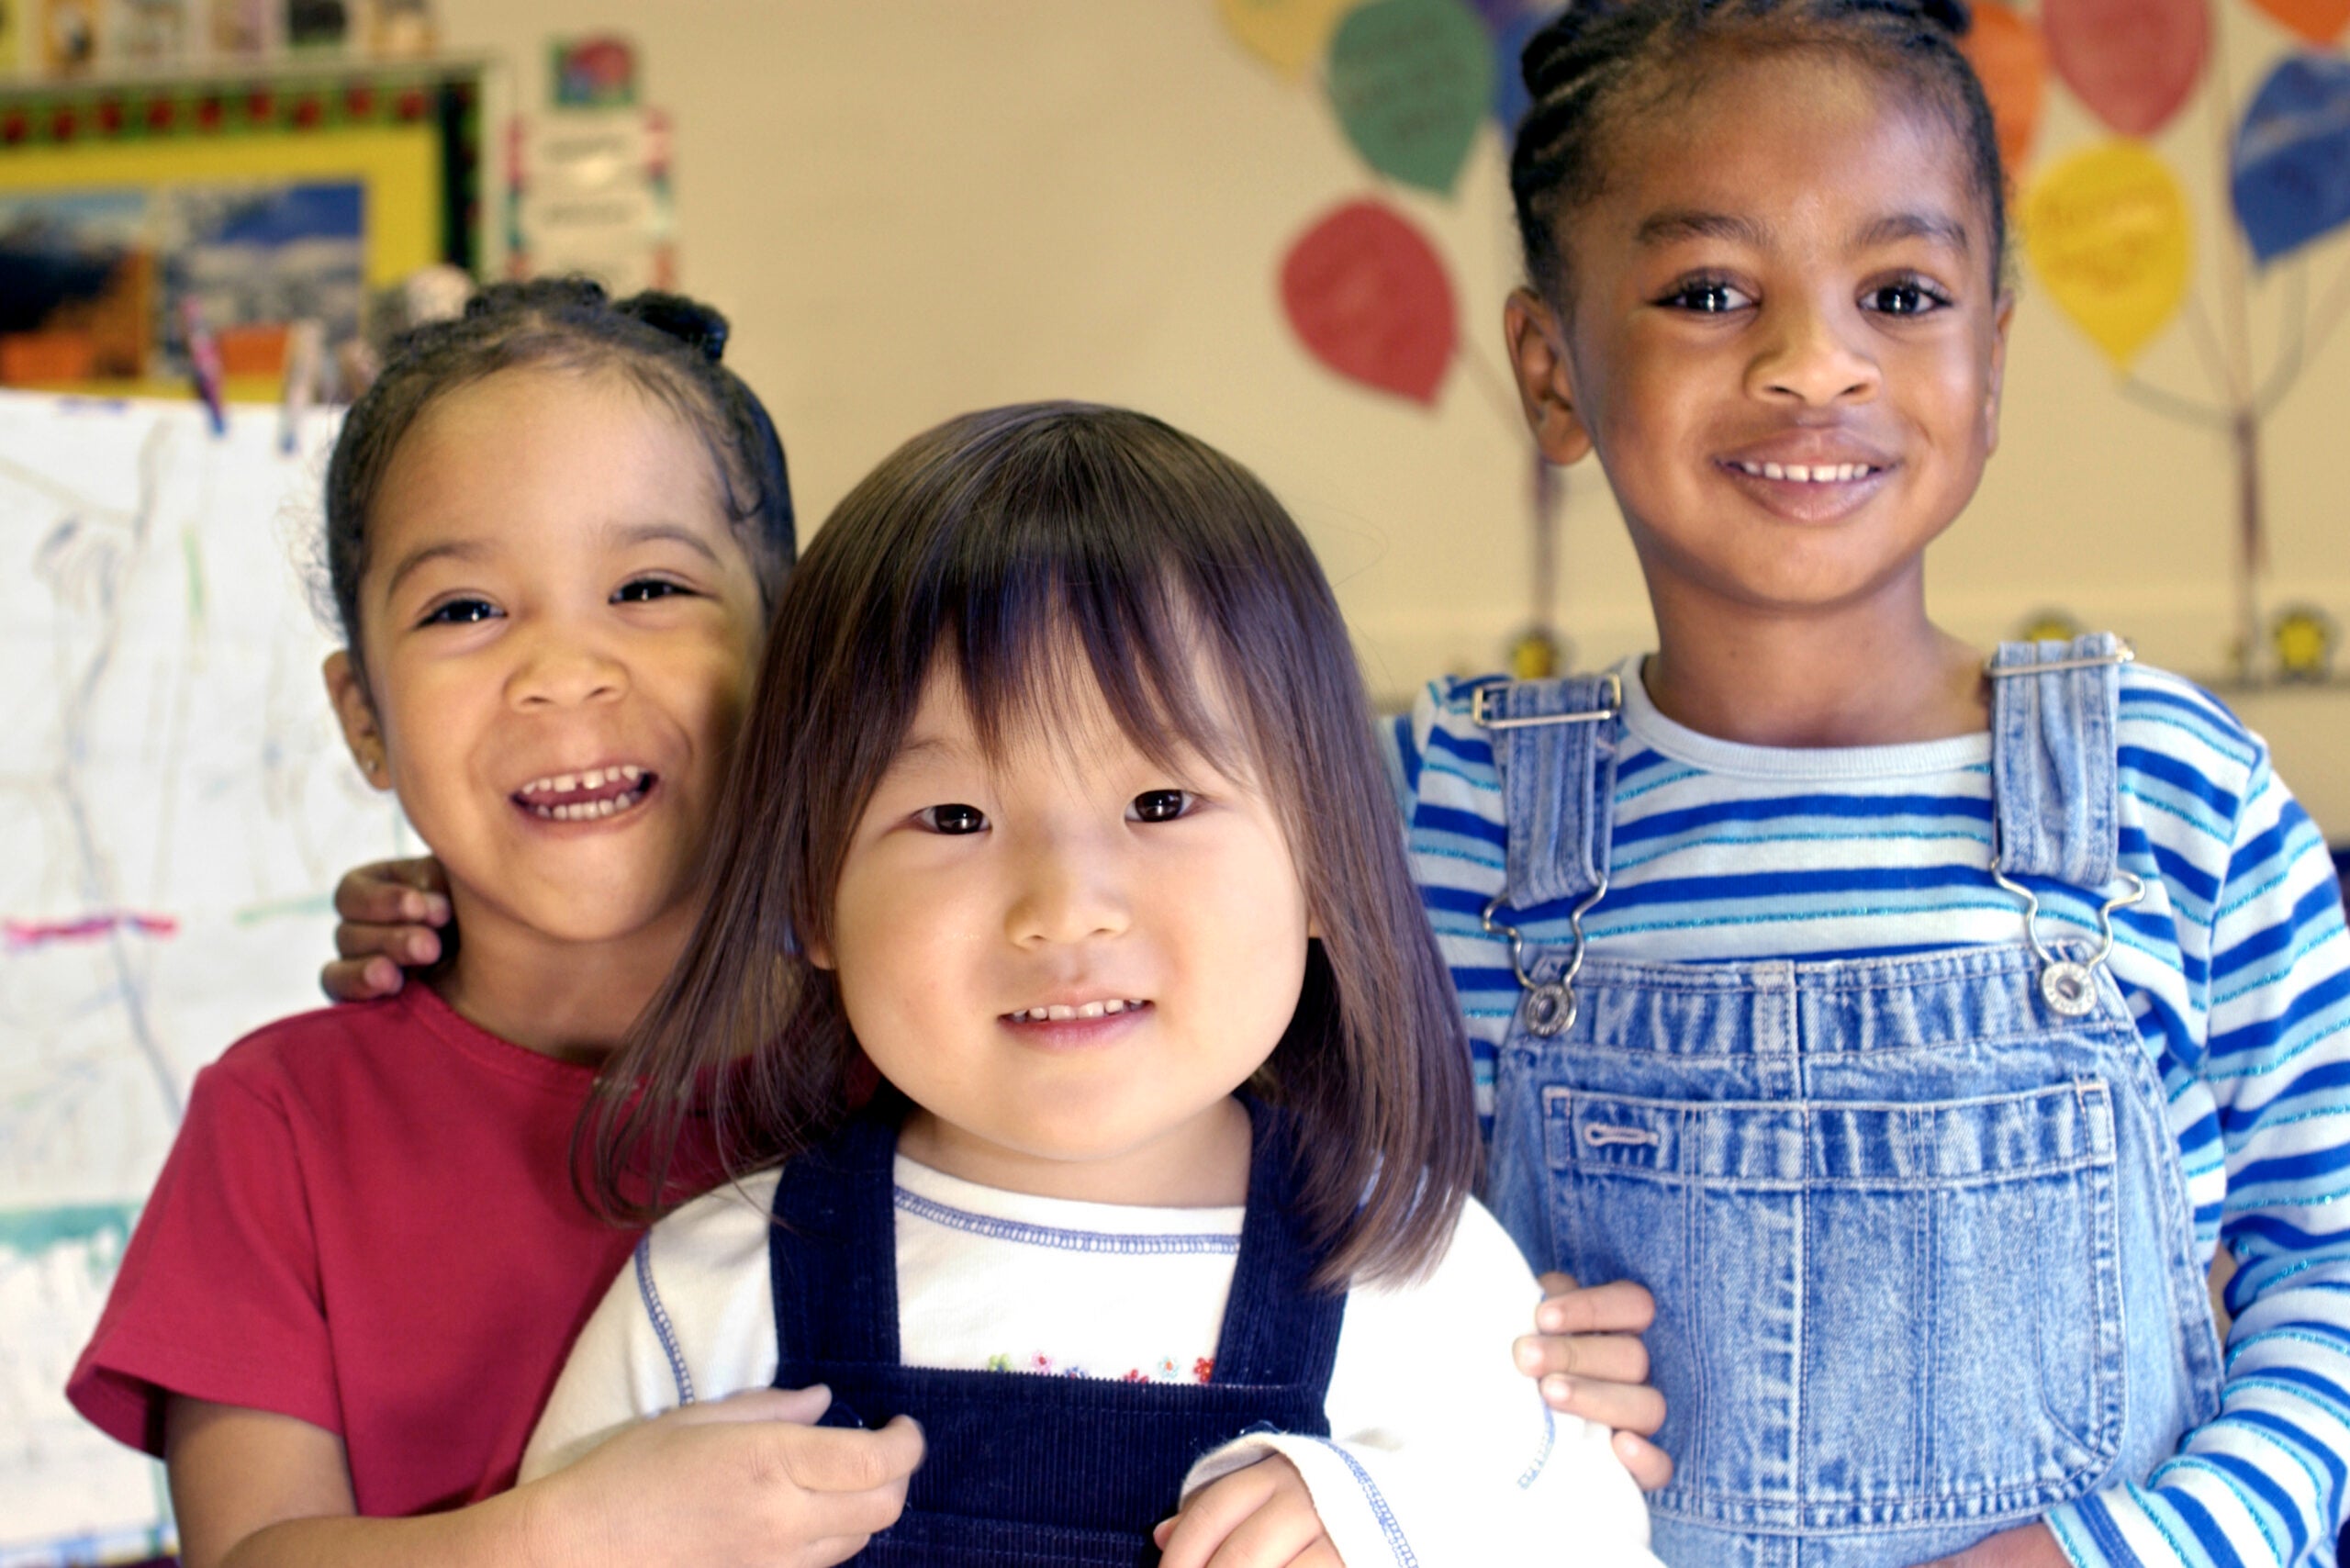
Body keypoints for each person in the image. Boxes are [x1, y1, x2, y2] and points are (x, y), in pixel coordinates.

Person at [1393, 1, 2350, 1563]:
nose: (1813, 361)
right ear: (1551, 369)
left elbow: (2331, 1272)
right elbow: (1326, 1261)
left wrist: (2134, 1547)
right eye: (1709, 291)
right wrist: (1471, 1364)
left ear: (1990, 358)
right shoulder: (1449, 809)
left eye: (1901, 293)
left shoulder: (2181, 794)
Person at [516, 401, 1662, 1566]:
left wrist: (1382, 1522)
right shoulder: (713, 1290)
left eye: (1160, 804)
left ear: (1324, 858)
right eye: (953, 816)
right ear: (810, 893)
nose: (1064, 906)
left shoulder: (1422, 1272)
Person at [66, 279, 923, 1568]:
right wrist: (575, 1536)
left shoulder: (928, 1059)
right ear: (365, 718)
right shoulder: (282, 1123)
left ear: (788, 645)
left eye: (648, 586)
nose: (562, 669)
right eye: (465, 609)